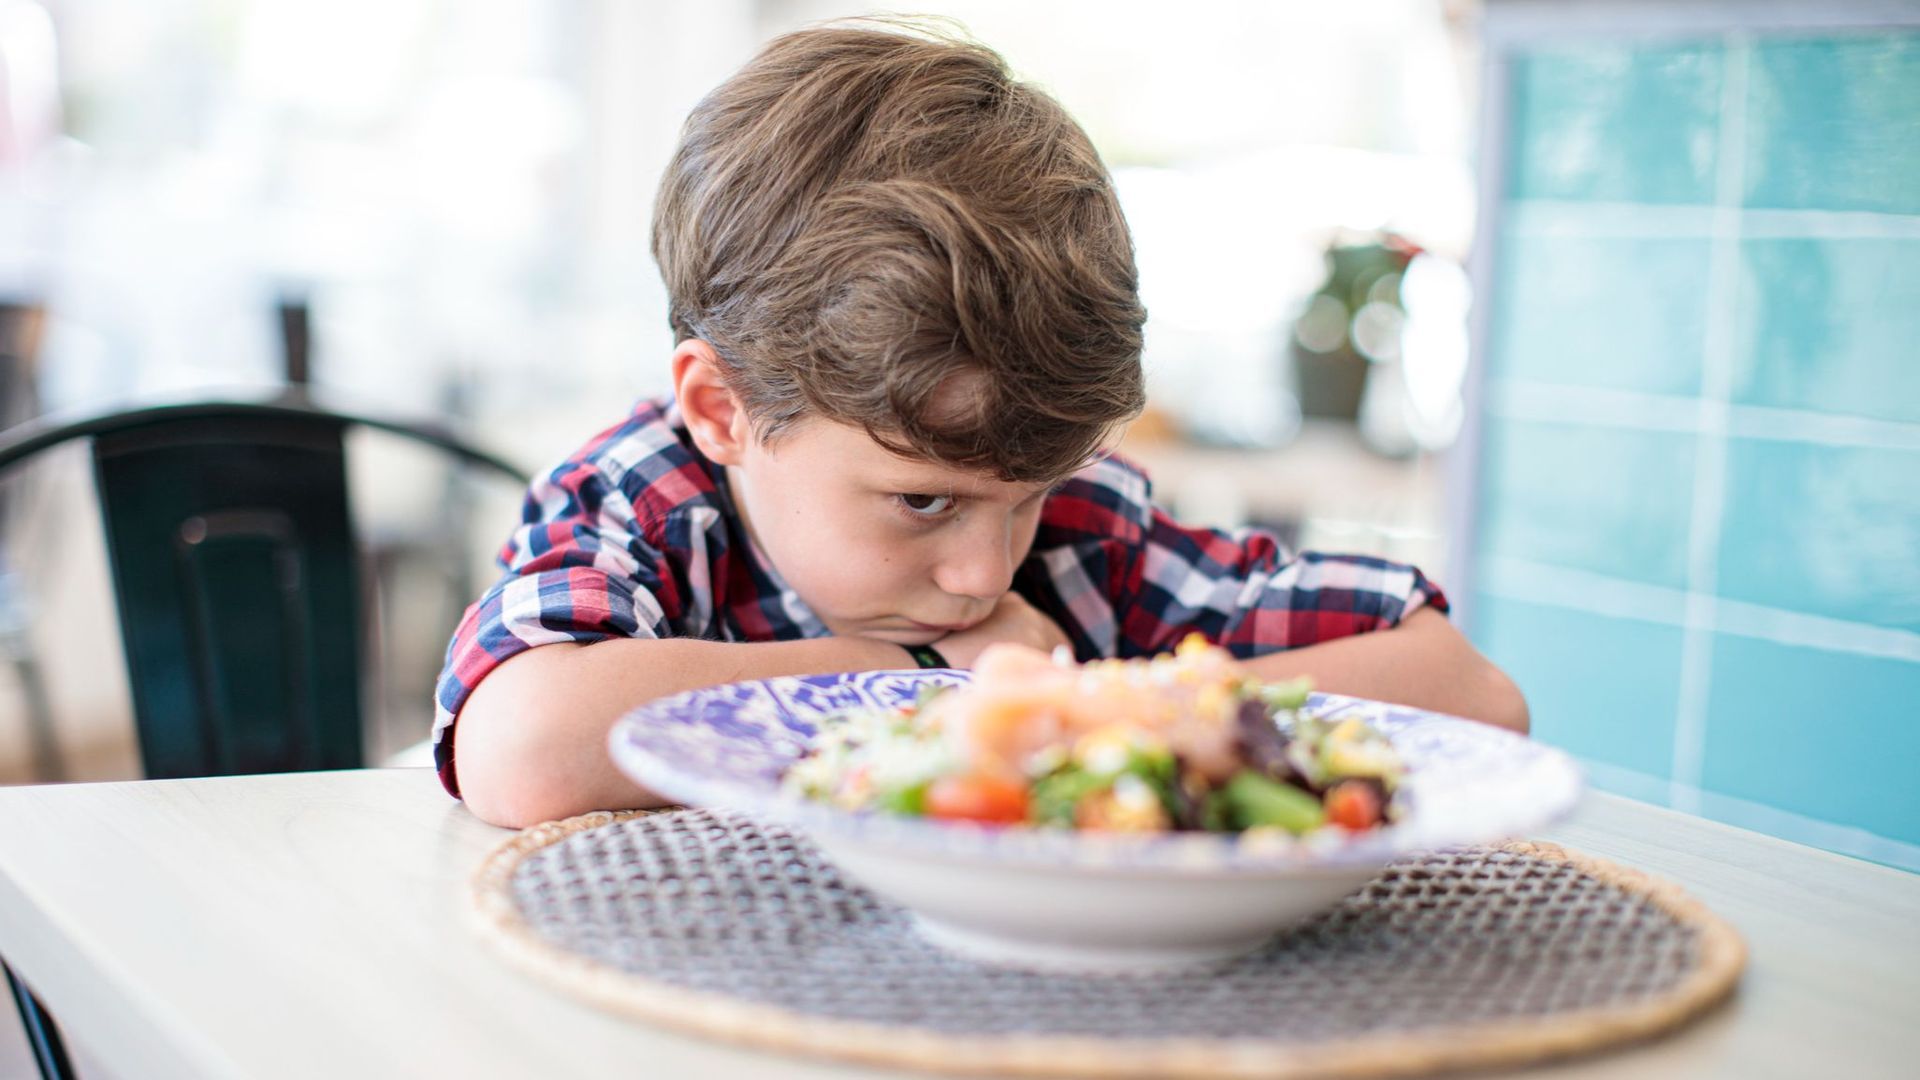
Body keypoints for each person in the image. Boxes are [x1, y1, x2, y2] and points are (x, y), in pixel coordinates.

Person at [435, 22, 1527, 829]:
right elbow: (521, 747)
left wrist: (1091, 707)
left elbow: (1472, 696)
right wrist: (922, 675)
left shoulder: (1083, 529)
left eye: (1026, 500)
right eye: (923, 500)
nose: (985, 573)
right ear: (724, 409)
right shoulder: (646, 502)